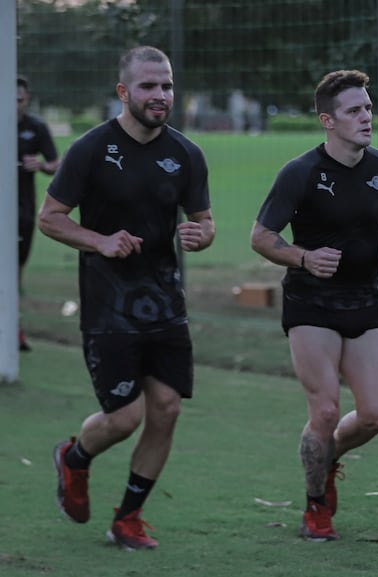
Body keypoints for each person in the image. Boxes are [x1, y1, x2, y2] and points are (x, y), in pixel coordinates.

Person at [40, 46, 215, 550]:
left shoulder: (185, 153)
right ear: (124, 92)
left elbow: (204, 221)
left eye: (166, 85)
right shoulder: (91, 150)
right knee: (124, 417)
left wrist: (200, 235)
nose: (160, 95)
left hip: (164, 302)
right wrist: (100, 241)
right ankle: (74, 458)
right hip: (107, 304)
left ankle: (129, 518)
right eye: (148, 86)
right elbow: (50, 217)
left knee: (166, 408)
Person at [250, 69, 378, 541]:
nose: (366, 116)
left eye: (367, 106)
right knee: (323, 411)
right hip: (311, 303)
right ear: (328, 120)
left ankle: (327, 457)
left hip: (362, 303)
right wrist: (302, 257)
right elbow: (260, 237)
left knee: (376, 414)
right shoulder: (300, 172)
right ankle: (315, 506)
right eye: (354, 110)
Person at [17, 75, 60, 351]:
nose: (15, 105)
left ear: (27, 98)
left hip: (23, 210)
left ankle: (14, 330)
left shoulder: (36, 127)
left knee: (15, 272)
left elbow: (56, 164)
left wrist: (41, 166)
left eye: (19, 99)